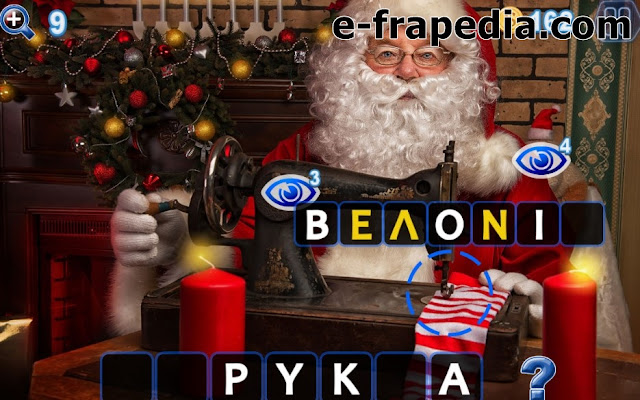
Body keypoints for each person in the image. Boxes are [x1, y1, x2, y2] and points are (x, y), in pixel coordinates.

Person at [108, 0, 570, 337]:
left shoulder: (512, 172)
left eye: (429, 55)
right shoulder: (297, 155)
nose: (406, 71)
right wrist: (181, 240)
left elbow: (554, 286)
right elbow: (238, 250)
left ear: (459, 70)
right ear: (353, 66)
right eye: (386, 52)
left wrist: (535, 308)